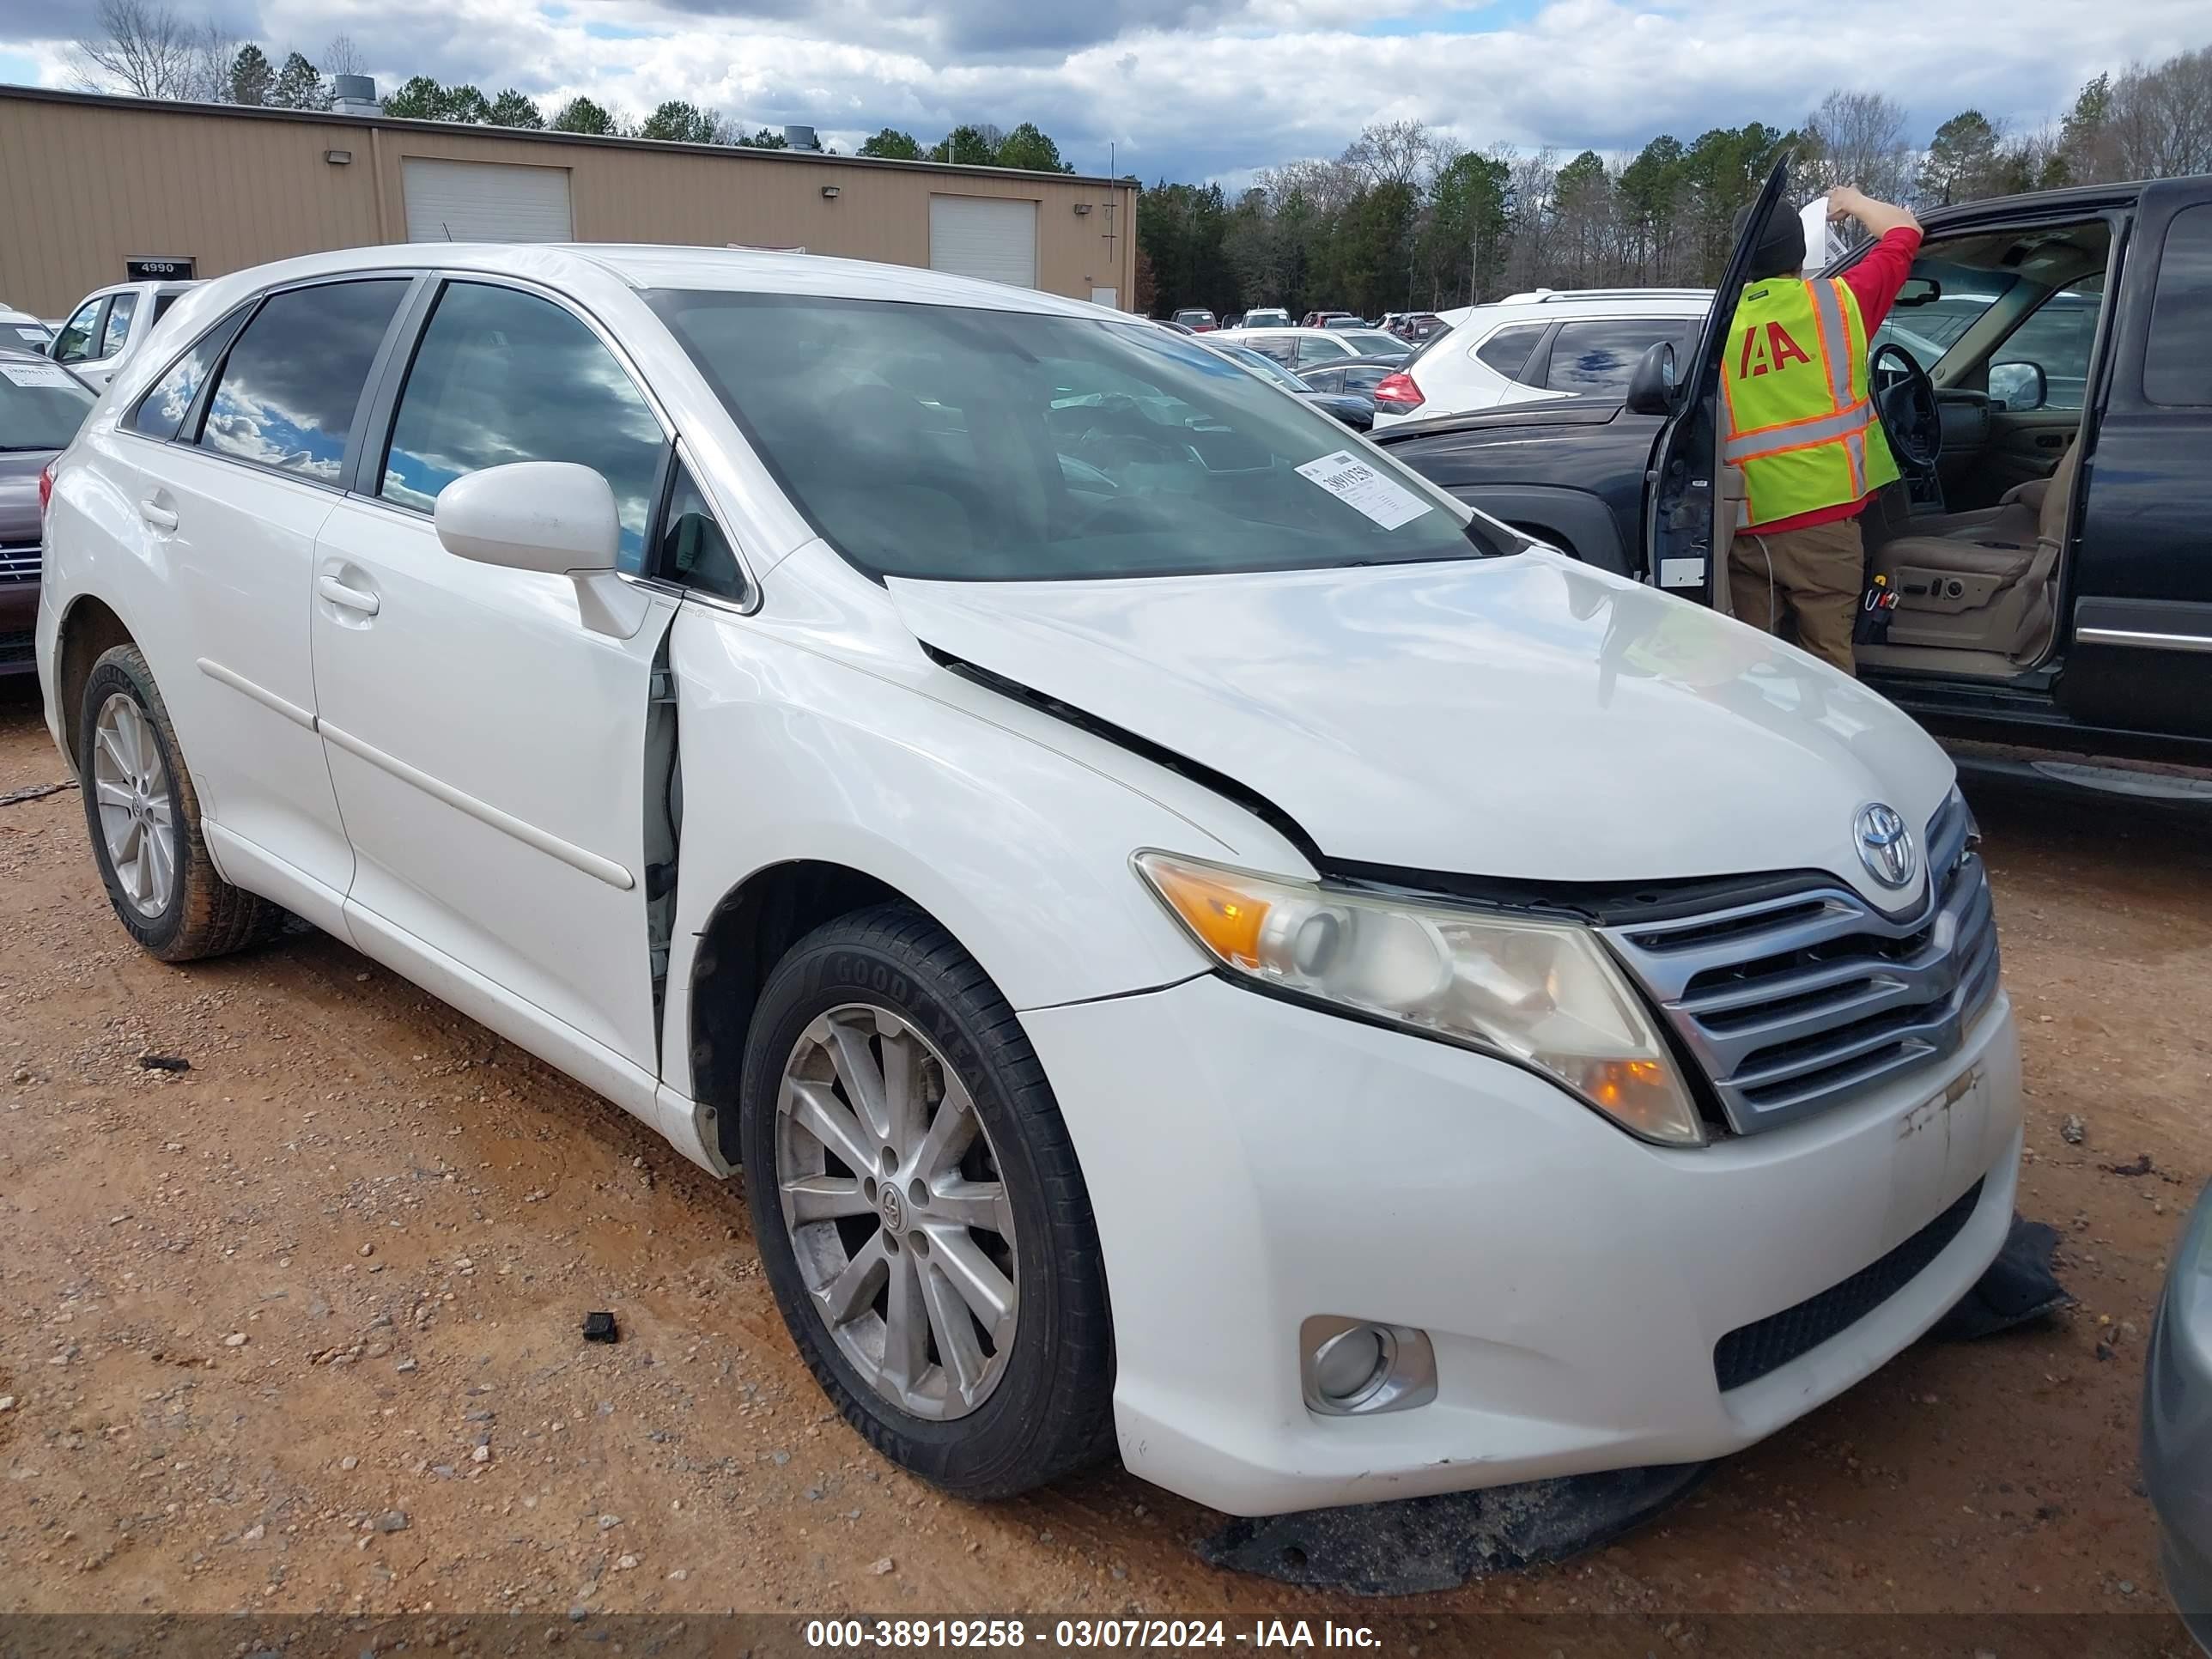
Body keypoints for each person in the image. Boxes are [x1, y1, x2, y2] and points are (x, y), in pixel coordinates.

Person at [1722, 184, 1923, 674]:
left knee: (1748, 670)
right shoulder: (1841, 302)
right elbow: (1905, 230)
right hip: (1826, 527)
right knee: (1828, 667)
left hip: (1746, 528)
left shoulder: (1717, 327)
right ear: (1799, 252)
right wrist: (1852, 202)